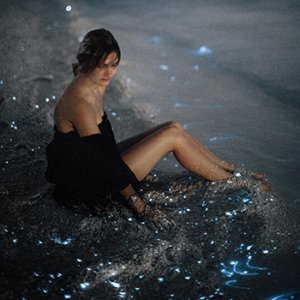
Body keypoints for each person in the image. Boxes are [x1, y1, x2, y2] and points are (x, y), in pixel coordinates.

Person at [45, 29, 265, 230]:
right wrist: (141, 207)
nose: (109, 73)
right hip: (89, 189)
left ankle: (229, 169)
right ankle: (232, 181)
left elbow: (100, 150)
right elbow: (105, 165)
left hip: (92, 166)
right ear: (87, 62)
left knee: (173, 126)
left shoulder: (92, 82)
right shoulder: (80, 102)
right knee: (172, 136)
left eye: (114, 64)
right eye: (102, 66)